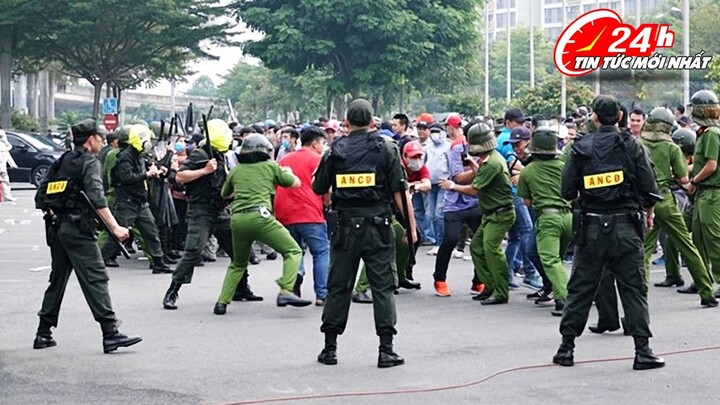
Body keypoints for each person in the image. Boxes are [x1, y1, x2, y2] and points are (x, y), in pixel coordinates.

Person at [553, 95, 664, 370]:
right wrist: (646, 211)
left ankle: (566, 349)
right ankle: (643, 351)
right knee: (634, 288)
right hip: (626, 227)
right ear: (620, 117)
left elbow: (566, 191)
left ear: (595, 117)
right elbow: (650, 189)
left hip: (590, 228)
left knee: (580, 288)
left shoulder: (580, 147)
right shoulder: (633, 145)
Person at [313, 98, 415, 368]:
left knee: (338, 286)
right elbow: (399, 193)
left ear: (347, 122)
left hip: (345, 228)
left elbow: (318, 186)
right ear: (372, 122)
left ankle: (329, 348)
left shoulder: (334, 150)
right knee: (382, 288)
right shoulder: (387, 148)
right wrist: (411, 229)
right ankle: (386, 349)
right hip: (378, 228)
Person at [33, 118, 141, 353]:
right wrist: (116, 229)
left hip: (57, 228)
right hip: (78, 230)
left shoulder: (61, 161)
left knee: (58, 280)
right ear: (91, 139)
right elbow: (97, 199)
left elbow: (40, 197)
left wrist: (58, 209)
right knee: (96, 278)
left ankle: (43, 333)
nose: (103, 143)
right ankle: (110, 333)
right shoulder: (89, 163)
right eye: (101, 139)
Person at [163, 119, 262, 311]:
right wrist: (204, 170)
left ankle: (241, 288)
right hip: (200, 210)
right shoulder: (201, 154)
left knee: (237, 250)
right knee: (193, 250)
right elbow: (179, 176)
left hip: (219, 209)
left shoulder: (221, 155)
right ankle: (172, 292)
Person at [213, 134, 309, 314]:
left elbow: (225, 194)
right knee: (293, 251)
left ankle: (221, 302)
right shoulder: (271, 166)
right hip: (260, 218)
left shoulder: (237, 170)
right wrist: (286, 172)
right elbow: (295, 184)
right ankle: (286, 290)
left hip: (238, 219)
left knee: (238, 264)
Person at [638, 107, 716, 307]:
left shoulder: (638, 144)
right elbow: (683, 179)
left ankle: (640, 298)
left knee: (645, 251)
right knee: (687, 246)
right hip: (665, 201)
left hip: (646, 202)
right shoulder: (672, 147)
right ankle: (706, 292)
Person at [440, 123, 516, 305]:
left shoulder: (492, 163)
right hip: (492, 213)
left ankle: (500, 291)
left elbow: (475, 190)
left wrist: (453, 186)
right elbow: (482, 175)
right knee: (476, 247)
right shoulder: (490, 159)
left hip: (500, 214)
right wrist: (473, 165)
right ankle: (489, 285)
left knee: (492, 250)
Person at [99, 124, 172, 274]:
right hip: (127, 201)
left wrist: (156, 172)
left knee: (151, 232)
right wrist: (147, 175)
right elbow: (126, 178)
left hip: (139, 201)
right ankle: (99, 259)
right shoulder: (125, 156)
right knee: (117, 234)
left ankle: (158, 262)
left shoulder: (138, 155)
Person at [517, 122, 572, 316]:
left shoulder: (528, 171)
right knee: (539, 253)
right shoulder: (565, 166)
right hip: (568, 218)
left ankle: (564, 299)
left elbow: (526, 201)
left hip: (547, 219)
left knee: (550, 260)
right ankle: (553, 285)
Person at [276, 126, 330, 306]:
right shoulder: (318, 160)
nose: (323, 147)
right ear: (314, 144)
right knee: (321, 252)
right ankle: (322, 294)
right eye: (322, 143)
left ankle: (293, 281)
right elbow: (326, 187)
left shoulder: (284, 159)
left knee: (293, 252)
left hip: (284, 213)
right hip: (310, 213)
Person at [686, 90, 720, 299]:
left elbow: (711, 166)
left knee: (714, 238)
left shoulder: (712, 134)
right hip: (703, 193)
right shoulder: (705, 132)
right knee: (698, 238)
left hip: (712, 193)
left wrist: (693, 181)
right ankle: (702, 278)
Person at [0, 129, 18, 202]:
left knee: (5, 180)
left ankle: (7, 195)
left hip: (2, 166)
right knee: (5, 180)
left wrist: (12, 164)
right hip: (2, 166)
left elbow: (7, 155)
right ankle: (7, 196)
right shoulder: (3, 147)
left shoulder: (3, 148)